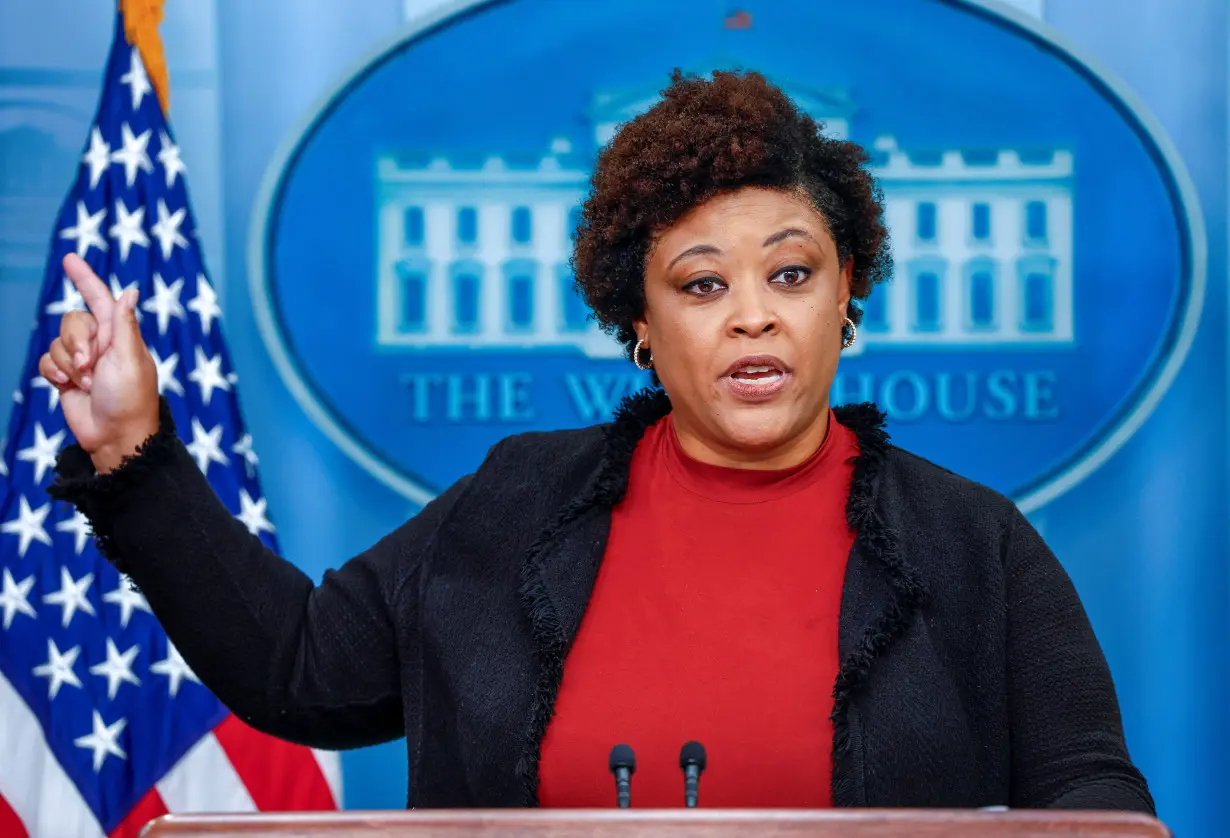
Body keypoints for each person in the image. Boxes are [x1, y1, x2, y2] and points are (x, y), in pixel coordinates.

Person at [42, 69, 1154, 813]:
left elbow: (1096, 815)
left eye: (792, 272)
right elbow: (295, 669)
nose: (754, 315)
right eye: (703, 284)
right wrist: (135, 453)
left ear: (847, 292)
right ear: (642, 324)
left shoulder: (974, 544)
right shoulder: (515, 504)